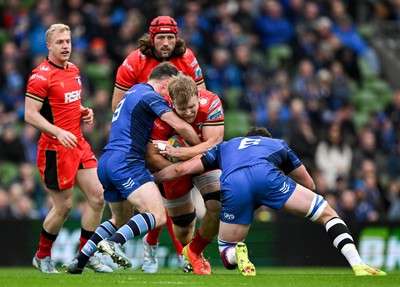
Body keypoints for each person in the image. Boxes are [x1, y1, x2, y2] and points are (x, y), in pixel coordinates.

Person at [152, 127, 387, 277]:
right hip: (269, 177)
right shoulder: (277, 144)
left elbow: (183, 168)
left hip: (234, 183)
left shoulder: (226, 146)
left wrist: (150, 179)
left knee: (227, 253)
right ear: (266, 138)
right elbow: (310, 183)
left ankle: (238, 252)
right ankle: (358, 265)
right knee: (328, 214)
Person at [63, 62, 201, 274]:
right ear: (166, 83)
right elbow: (181, 125)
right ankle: (115, 243)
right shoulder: (150, 95)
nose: (171, 96)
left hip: (107, 160)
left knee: (120, 219)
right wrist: (199, 147)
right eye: (171, 90)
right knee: (158, 215)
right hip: (127, 161)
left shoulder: (133, 91)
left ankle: (80, 260)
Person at [24, 23, 111, 274]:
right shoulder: (40, 75)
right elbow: (31, 115)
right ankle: (42, 256)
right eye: (60, 42)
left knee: (97, 196)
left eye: (68, 41)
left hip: (78, 143)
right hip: (54, 148)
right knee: (63, 207)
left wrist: (83, 111)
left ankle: (84, 256)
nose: (65, 46)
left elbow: (68, 103)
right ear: (49, 46)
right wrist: (58, 131)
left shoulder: (73, 70)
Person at [143, 74, 224, 274]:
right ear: (171, 103)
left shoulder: (212, 102)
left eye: (192, 107)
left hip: (206, 160)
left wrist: (177, 152)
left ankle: (196, 254)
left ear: (197, 95)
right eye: (182, 109)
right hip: (171, 166)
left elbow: (213, 144)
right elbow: (152, 156)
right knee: (183, 225)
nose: (188, 113)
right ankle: (192, 254)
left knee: (217, 206)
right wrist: (179, 165)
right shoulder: (160, 111)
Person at [111, 15, 206, 112]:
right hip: (144, 117)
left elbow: (202, 97)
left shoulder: (187, 58)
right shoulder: (134, 61)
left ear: (176, 39)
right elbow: (117, 105)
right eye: (161, 37)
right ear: (152, 39)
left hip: (180, 114)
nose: (165, 43)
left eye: (170, 37)